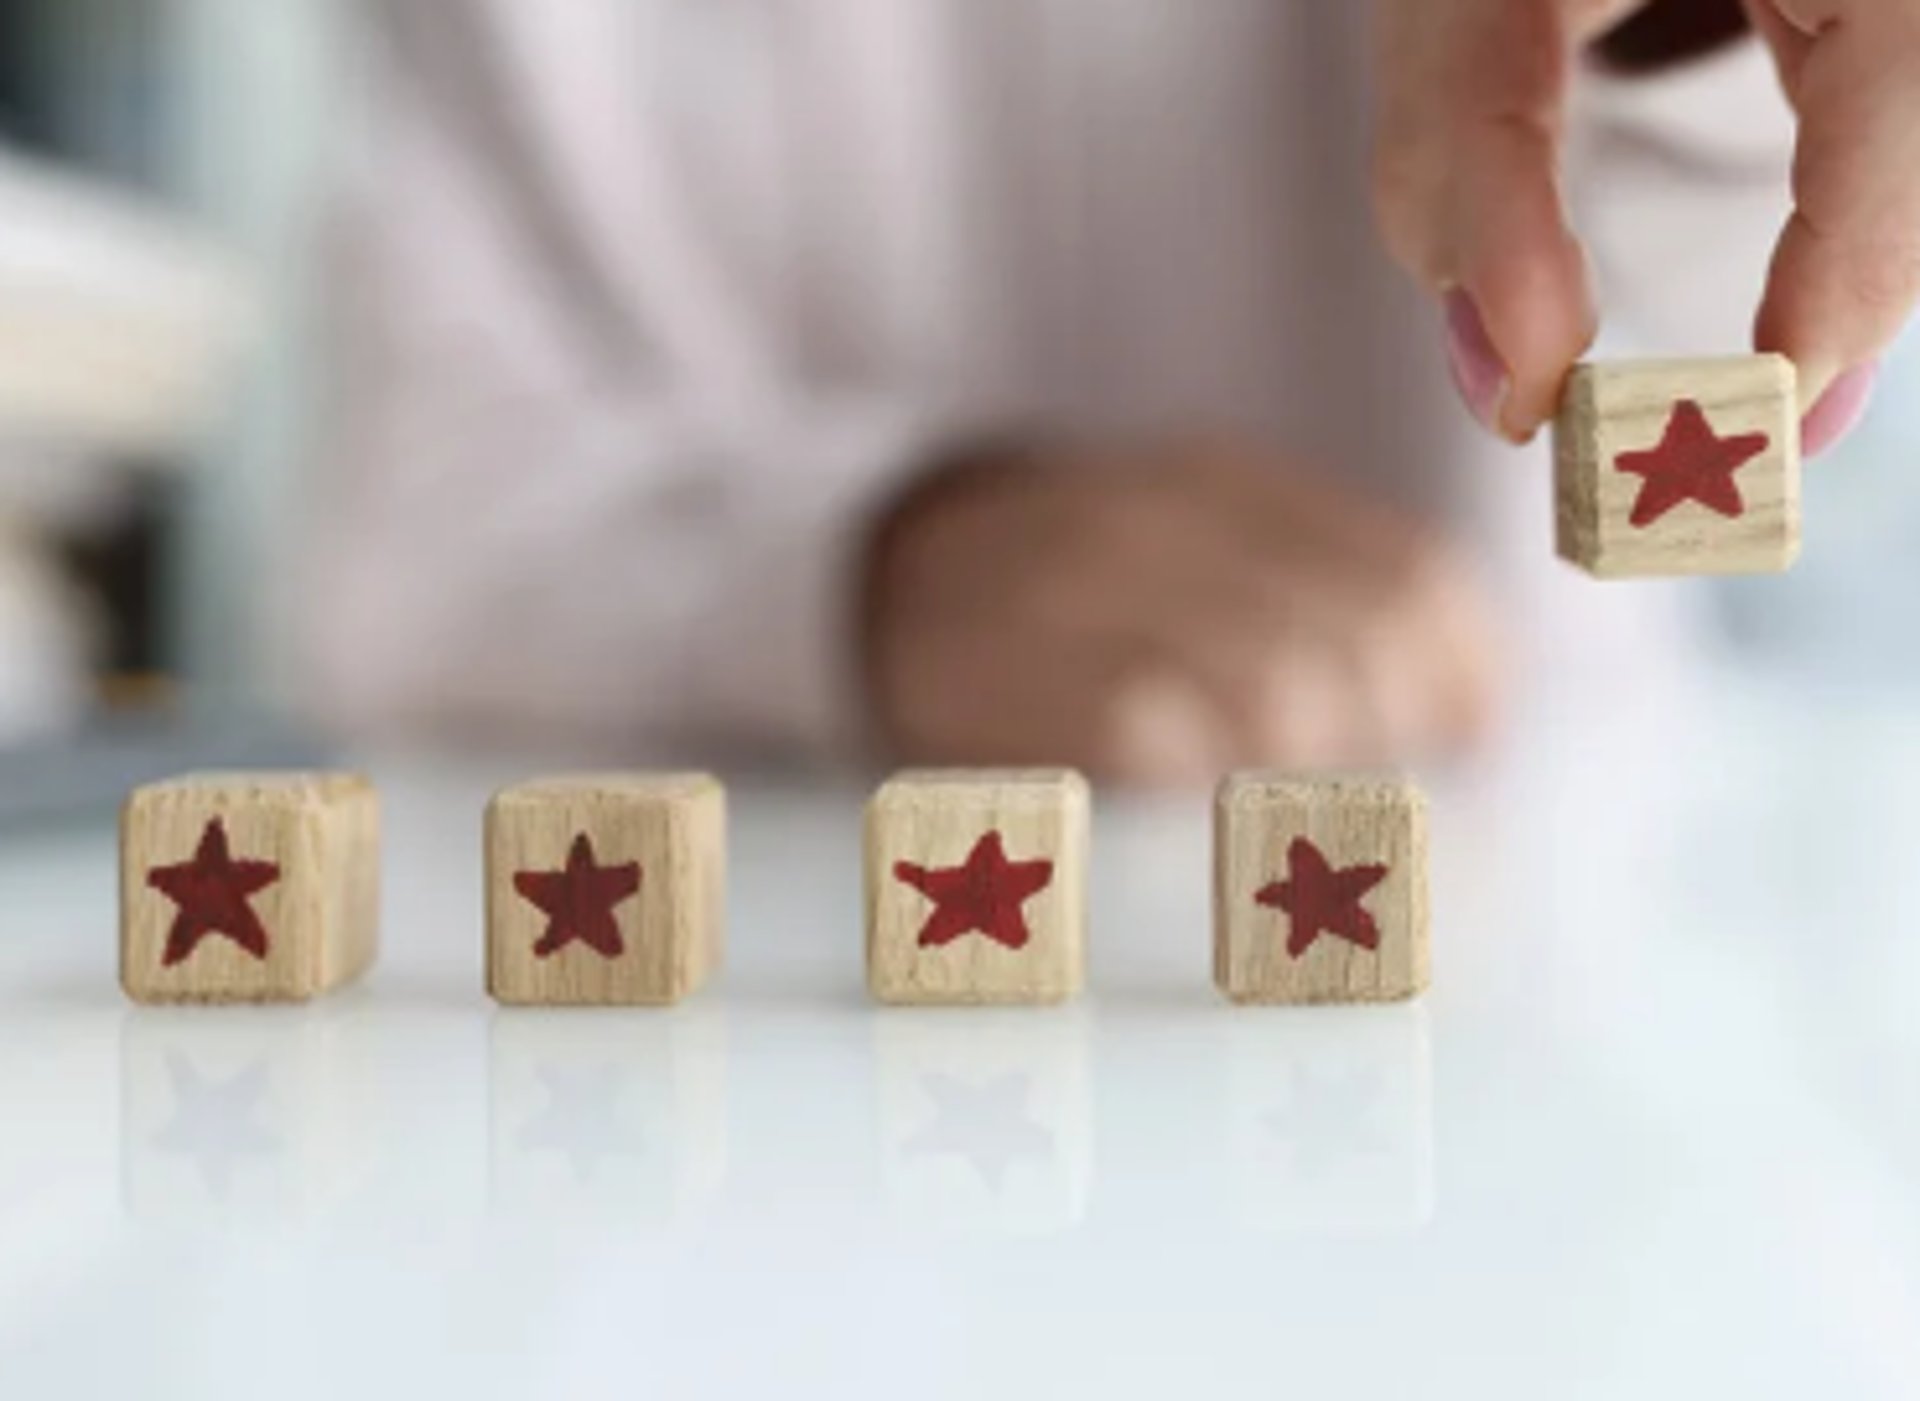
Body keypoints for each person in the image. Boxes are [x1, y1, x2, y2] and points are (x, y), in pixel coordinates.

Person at [302, 1, 1915, 784]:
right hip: (783, 953)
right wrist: (867, 565)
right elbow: (412, 521)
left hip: (1522, 874)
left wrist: (1684, 35)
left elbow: (1724, 282)